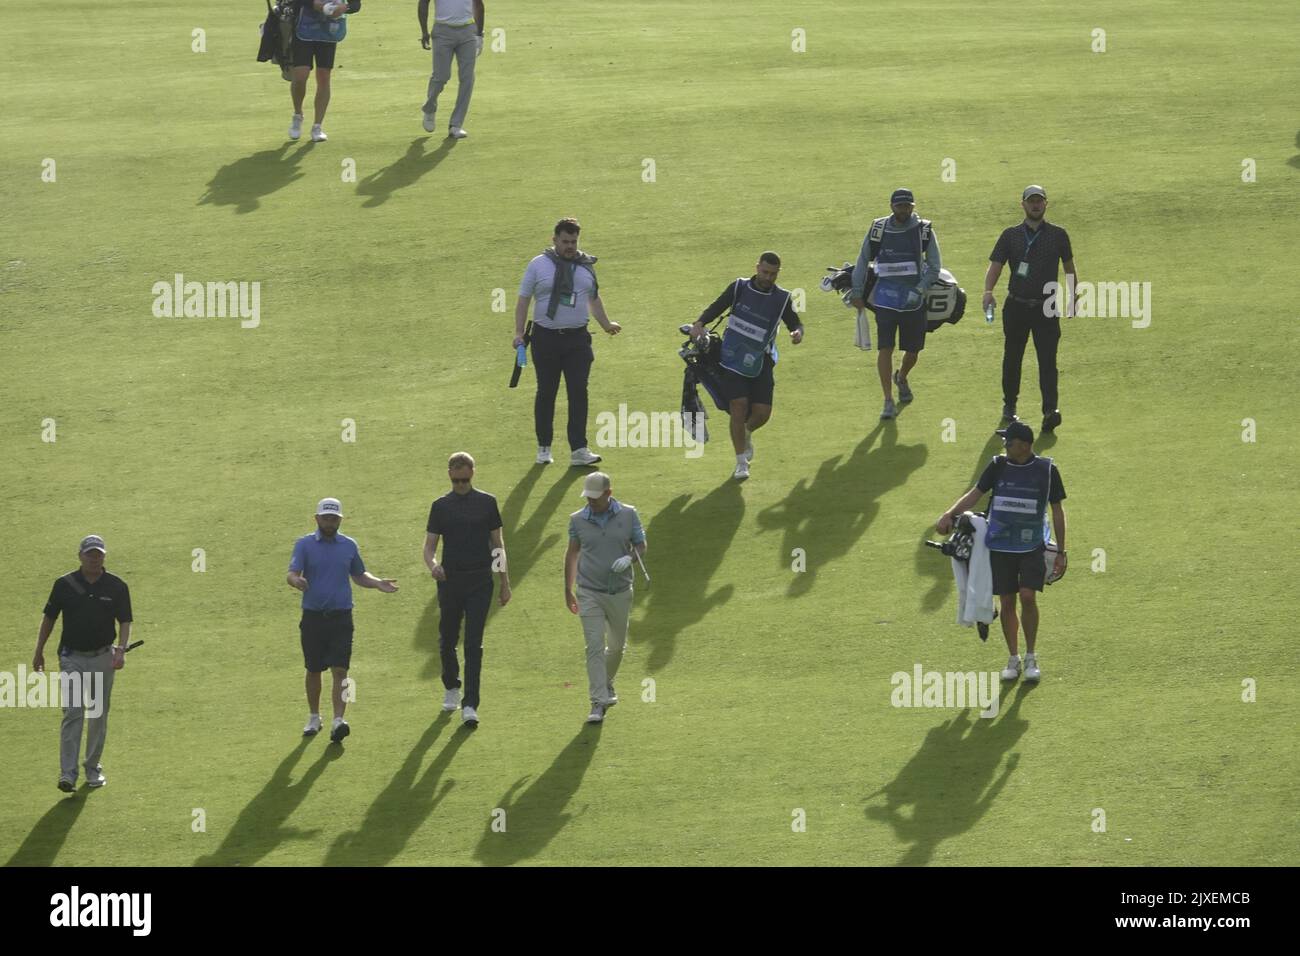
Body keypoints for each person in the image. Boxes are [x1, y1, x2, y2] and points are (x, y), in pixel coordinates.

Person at [935, 421, 1067, 683]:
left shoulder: (1047, 470)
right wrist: (950, 514)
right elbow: (976, 493)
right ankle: (1013, 658)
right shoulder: (998, 466)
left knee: (1028, 596)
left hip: (1032, 543)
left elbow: (1057, 510)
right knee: (1007, 601)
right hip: (1000, 544)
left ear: (1025, 446)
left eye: (1010, 442)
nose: (1005, 446)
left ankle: (1031, 657)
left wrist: (1062, 551)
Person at [286, 497, 398, 743]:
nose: (329, 522)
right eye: (326, 518)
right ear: (317, 519)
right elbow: (292, 573)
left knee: (341, 669)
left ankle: (338, 720)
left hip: (341, 617)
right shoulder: (304, 545)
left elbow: (358, 575)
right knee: (313, 669)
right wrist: (297, 582)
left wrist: (377, 583)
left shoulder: (349, 545)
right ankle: (314, 717)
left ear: (340, 520)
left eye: (334, 518)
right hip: (314, 617)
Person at [514, 218, 621, 467]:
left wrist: (606, 324)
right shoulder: (538, 265)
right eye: (565, 242)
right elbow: (523, 299)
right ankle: (544, 447)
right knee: (546, 392)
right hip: (546, 338)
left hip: (577, 340)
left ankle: (579, 449)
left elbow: (593, 298)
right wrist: (519, 332)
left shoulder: (585, 265)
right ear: (554, 240)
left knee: (578, 392)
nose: (570, 246)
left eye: (574, 242)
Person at [689, 251, 804, 480]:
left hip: (762, 360)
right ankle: (741, 463)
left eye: (773, 274)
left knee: (762, 413)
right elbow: (717, 306)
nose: (768, 277)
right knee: (738, 406)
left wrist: (797, 332)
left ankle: (747, 432)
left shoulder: (782, 298)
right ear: (757, 267)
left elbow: (795, 322)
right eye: (764, 272)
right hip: (732, 357)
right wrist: (699, 323)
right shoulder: (739, 287)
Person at [32, 535, 132, 792]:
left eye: (98, 554)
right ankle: (67, 774)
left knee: (98, 716)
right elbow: (49, 619)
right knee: (73, 712)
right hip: (71, 657)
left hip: (103, 657)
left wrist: (120, 650)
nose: (94, 558)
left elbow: (124, 621)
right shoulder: (64, 584)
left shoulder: (117, 586)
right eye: (90, 554)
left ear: (104, 557)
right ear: (80, 556)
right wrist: (39, 651)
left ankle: (92, 769)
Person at [423, 452, 511, 727]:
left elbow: (497, 544)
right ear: (450, 475)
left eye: (465, 479)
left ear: (472, 474)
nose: (461, 484)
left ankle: (470, 703)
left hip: (480, 580)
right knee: (447, 638)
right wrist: (433, 566)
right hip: (450, 581)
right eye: (457, 480)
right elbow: (429, 547)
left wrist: (504, 582)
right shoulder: (441, 506)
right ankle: (452, 685)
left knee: (474, 643)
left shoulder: (487, 503)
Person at [983, 185, 1078, 432]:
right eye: (1031, 201)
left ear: (1046, 204)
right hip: (1017, 305)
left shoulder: (1058, 235)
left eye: (1039, 201)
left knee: (1048, 360)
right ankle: (1010, 406)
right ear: (1023, 205)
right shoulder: (1010, 235)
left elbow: (1069, 268)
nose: (1035, 205)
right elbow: (996, 265)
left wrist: (1073, 297)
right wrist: (988, 292)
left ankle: (1050, 411)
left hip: (1046, 306)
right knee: (1012, 358)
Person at [850, 188, 943, 420]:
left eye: (907, 206)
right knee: (885, 348)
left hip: (914, 302)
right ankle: (888, 400)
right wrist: (857, 291)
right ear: (891, 206)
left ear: (913, 206)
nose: (903, 210)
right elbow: (862, 260)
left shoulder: (924, 230)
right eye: (899, 206)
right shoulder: (878, 229)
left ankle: (901, 376)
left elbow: (934, 266)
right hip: (885, 300)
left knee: (913, 351)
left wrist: (920, 289)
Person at [565, 472, 646, 723]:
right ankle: (597, 702)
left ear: (609, 494)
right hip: (589, 591)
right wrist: (567, 590)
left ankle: (607, 682)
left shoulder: (628, 514)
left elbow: (641, 545)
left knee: (617, 646)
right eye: (588, 497)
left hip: (620, 591)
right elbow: (572, 554)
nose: (591, 502)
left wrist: (630, 558)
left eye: (596, 498)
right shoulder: (577, 520)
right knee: (594, 647)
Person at [286, 1, 361, 143]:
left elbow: (356, 4)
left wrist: (343, 8)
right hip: (303, 27)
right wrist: (319, 6)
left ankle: (317, 126)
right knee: (301, 75)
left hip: (328, 30)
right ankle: (298, 114)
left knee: (324, 77)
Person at [417, 0, 484, 138]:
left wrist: (479, 35)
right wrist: (424, 31)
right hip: (442, 31)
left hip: (468, 31)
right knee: (441, 76)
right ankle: (430, 107)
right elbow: (423, 3)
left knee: (467, 78)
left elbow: (478, 4)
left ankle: (456, 125)